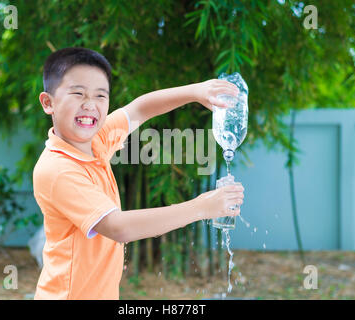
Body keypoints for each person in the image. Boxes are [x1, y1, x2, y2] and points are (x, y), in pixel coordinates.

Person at [33, 47, 245, 299]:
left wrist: (194, 92)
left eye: (100, 96)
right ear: (49, 103)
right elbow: (118, 227)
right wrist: (201, 207)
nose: (90, 105)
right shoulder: (58, 169)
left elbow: (139, 110)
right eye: (78, 93)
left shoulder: (95, 142)